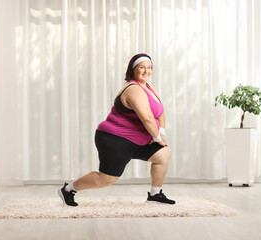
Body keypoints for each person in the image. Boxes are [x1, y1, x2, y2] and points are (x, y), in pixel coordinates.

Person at [58, 53, 175, 206]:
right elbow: (147, 118)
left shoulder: (148, 86)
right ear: (133, 70)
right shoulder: (133, 89)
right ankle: (68, 189)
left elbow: (160, 111)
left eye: (149, 67)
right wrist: (158, 138)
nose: (146, 71)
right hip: (115, 139)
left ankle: (155, 194)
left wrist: (161, 133)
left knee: (163, 154)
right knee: (105, 179)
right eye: (142, 67)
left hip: (139, 139)